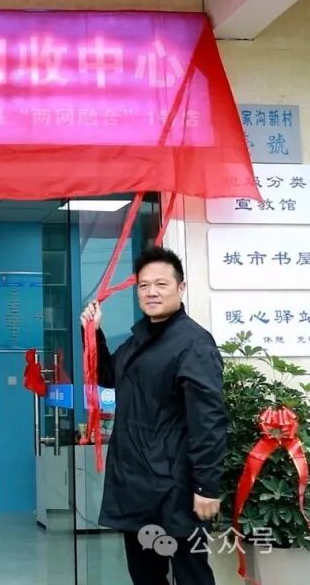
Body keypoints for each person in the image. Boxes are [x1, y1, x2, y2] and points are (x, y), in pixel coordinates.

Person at [81, 247, 227, 585]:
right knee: (145, 575)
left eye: (161, 284)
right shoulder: (139, 339)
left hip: (176, 486)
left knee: (191, 575)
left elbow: (208, 420)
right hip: (136, 484)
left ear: (181, 287)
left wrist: (206, 485)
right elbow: (109, 377)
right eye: (144, 286)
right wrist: (93, 333)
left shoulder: (194, 343)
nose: (151, 292)